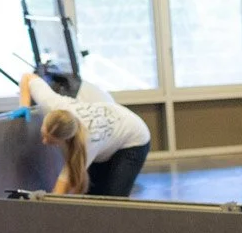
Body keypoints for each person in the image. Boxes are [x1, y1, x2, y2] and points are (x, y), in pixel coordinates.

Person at [20, 71, 151, 196]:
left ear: (66, 138)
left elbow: (60, 190)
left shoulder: (88, 141)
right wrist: (23, 107)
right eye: (44, 134)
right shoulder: (52, 104)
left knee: (113, 199)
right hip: (109, 133)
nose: (44, 141)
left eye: (50, 140)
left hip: (133, 137)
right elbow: (28, 77)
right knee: (93, 197)